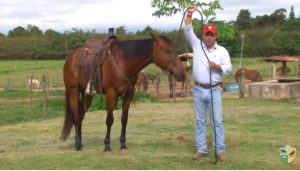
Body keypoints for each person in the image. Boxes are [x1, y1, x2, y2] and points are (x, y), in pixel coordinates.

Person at [183, 5, 232, 162]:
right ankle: (201, 148)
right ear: (203, 36)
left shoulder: (222, 51)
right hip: (198, 89)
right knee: (200, 121)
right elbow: (187, 29)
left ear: (215, 35)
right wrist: (189, 13)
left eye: (211, 34)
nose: (209, 37)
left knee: (217, 121)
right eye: (206, 34)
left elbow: (229, 69)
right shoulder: (197, 46)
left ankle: (219, 150)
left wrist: (217, 67)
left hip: (214, 90)